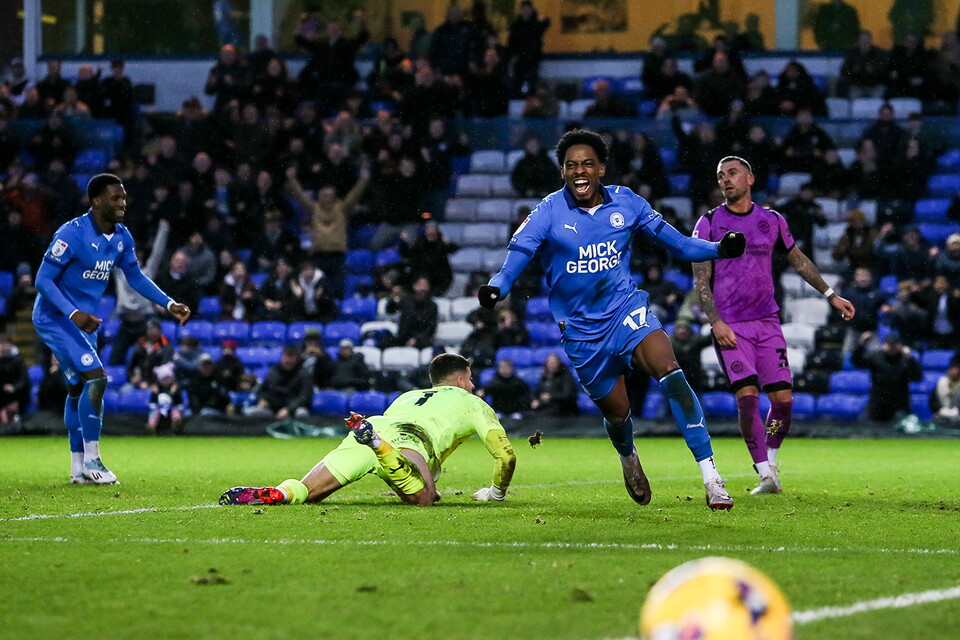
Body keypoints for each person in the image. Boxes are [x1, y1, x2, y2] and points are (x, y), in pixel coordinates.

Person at [480, 128, 746, 510]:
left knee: (671, 371)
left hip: (626, 310)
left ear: (602, 168)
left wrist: (719, 249)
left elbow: (679, 244)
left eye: (588, 163)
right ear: (562, 173)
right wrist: (498, 285)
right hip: (582, 333)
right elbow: (519, 254)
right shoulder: (548, 210)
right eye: (571, 165)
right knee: (619, 415)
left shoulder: (627, 202)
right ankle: (628, 456)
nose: (580, 170)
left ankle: (712, 477)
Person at [691, 157, 856, 495]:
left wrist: (830, 295)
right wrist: (716, 322)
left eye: (733, 173)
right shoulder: (708, 223)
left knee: (783, 402)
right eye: (721, 175)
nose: (726, 180)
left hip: (767, 323)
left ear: (750, 178)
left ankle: (772, 463)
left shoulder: (772, 220)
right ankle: (764, 473)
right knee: (748, 398)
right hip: (732, 326)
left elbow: (797, 259)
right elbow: (700, 278)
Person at [33, 173, 191, 484]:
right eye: (115, 198)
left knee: (77, 388)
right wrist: (74, 313)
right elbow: (42, 280)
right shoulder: (71, 234)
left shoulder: (122, 237)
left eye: (124, 198)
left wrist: (168, 303)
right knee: (97, 378)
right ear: (96, 201)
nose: (122, 203)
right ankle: (94, 461)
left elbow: (136, 278)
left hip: (84, 322)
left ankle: (77, 468)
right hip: (56, 318)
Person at [220, 353, 516, 507]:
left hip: (376, 425)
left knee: (307, 492)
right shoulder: (472, 401)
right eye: (471, 379)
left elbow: (392, 468)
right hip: (410, 438)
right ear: (462, 380)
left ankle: (281, 493)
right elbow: (506, 456)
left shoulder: (408, 395)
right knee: (424, 498)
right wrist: (495, 494)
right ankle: (378, 444)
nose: (474, 385)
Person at [852, 331, 922, 421]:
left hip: (898, 404)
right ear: (884, 345)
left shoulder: (905, 359)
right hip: (878, 402)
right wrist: (861, 345)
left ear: (900, 346)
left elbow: (918, 377)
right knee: (863, 424)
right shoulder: (876, 356)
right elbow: (856, 362)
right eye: (889, 345)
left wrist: (910, 358)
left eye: (894, 345)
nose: (891, 348)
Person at [147, 362, 185, 434]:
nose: (166, 381)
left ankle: (176, 424)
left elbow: (178, 402)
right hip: (159, 408)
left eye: (168, 378)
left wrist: (172, 393)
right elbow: (153, 403)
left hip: (173, 407)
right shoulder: (156, 389)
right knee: (154, 413)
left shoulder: (176, 388)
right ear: (159, 380)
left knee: (176, 411)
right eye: (163, 379)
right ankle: (151, 427)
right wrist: (156, 394)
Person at [0, 334, 29, 425]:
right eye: (2, 344)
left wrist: (14, 387)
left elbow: (24, 379)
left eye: (6, 344)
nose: (5, 347)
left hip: (17, 396)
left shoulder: (18, 361)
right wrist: (3, 387)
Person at [930, 356, 960, 427]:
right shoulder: (941, 382)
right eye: (954, 369)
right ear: (949, 369)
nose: (956, 371)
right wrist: (940, 409)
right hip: (942, 415)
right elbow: (932, 401)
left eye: (958, 369)